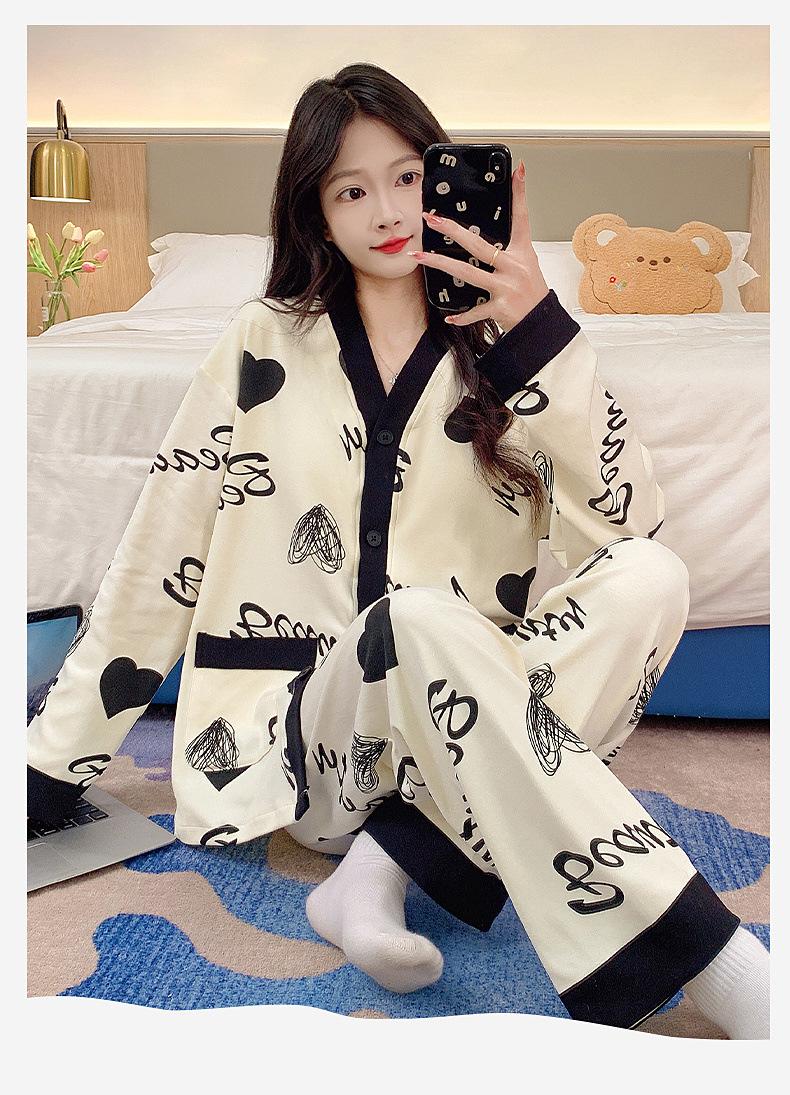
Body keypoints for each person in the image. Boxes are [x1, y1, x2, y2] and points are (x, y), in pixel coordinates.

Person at [27, 63, 769, 1038]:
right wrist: (51, 767)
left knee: (652, 577)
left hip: (463, 741)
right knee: (413, 619)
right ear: (316, 213)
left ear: (446, 181)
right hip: (306, 749)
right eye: (350, 189)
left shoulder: (508, 346)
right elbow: (160, 554)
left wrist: (539, 330)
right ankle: (714, 962)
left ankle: (383, 869)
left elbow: (621, 526)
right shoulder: (262, 341)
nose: (386, 210)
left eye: (409, 177)